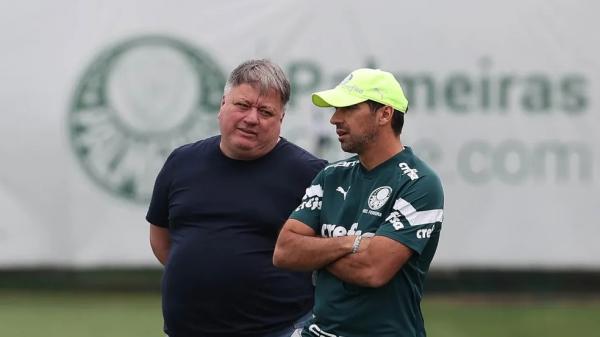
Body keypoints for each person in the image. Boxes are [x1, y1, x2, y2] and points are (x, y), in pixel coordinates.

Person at [147, 59, 327, 337]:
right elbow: (161, 237)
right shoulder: (182, 161)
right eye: (242, 105)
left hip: (279, 329)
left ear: (281, 118)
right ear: (222, 104)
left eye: (265, 111)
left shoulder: (311, 174)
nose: (252, 118)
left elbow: (330, 252)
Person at [273, 68, 444, 337]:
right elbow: (284, 252)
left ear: (385, 114)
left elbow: (372, 270)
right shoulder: (330, 176)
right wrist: (351, 243)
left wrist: (313, 251)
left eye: (348, 108)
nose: (334, 119)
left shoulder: (419, 183)